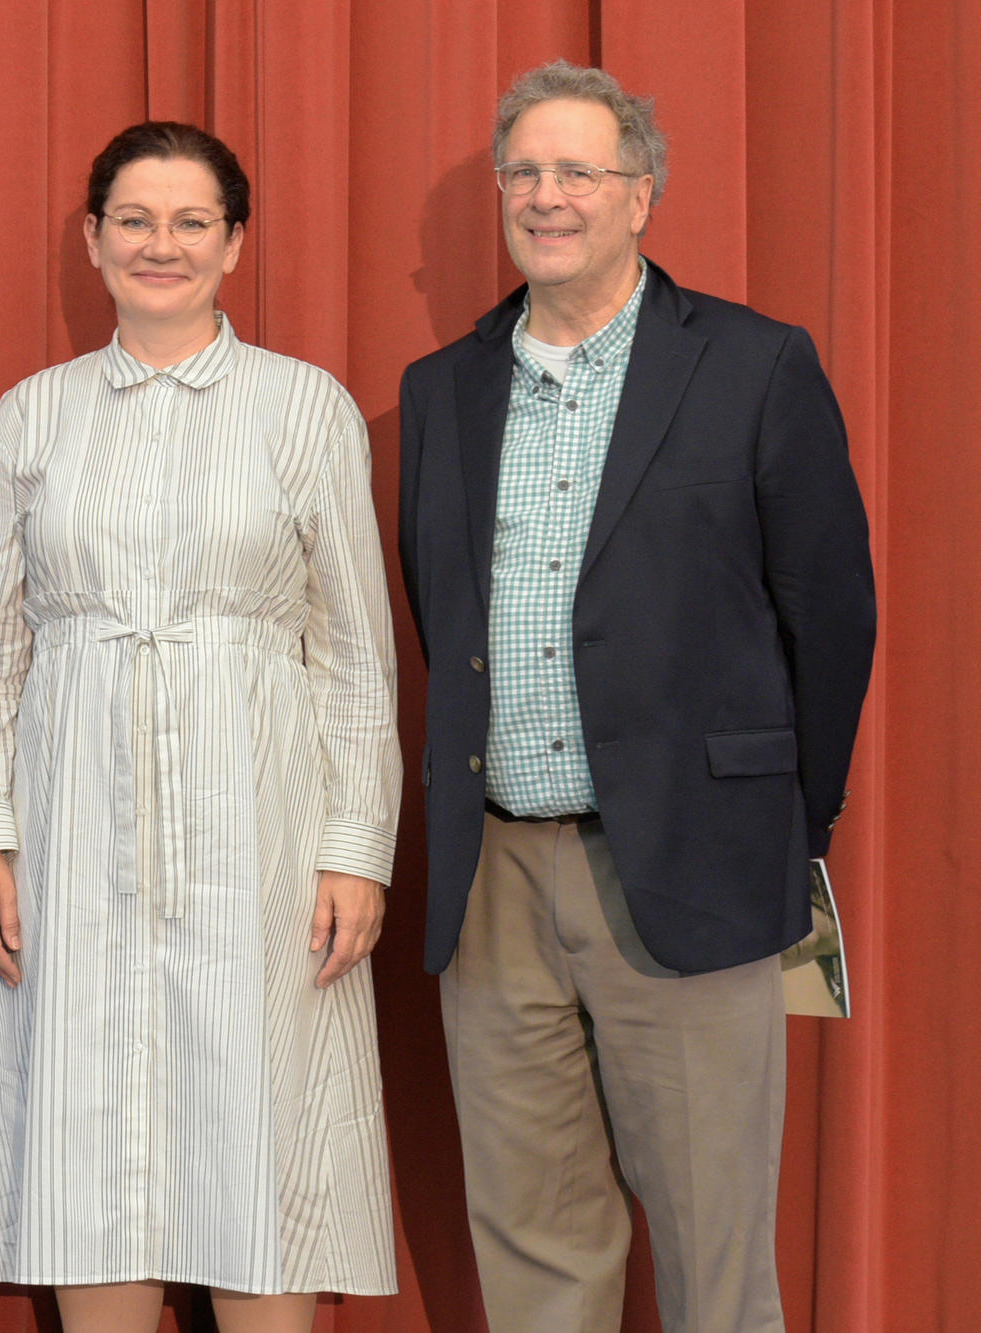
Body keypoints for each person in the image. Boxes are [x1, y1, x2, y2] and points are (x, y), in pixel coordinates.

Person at [396, 61, 876, 1332]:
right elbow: (433, 615)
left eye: (577, 172)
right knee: (535, 1253)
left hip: (688, 864)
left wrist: (781, 823)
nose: (546, 198)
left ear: (640, 196)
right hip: (492, 879)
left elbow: (829, 615)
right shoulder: (440, 391)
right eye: (524, 173)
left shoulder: (753, 364)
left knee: (717, 1263)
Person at [0, 122, 402, 1330]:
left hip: (263, 844)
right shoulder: (31, 418)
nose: (161, 245)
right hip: (71, 844)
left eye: (190, 221)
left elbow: (354, 656)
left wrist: (356, 845)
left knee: (262, 1144)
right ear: (91, 241)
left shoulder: (305, 411)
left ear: (234, 242)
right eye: (133, 220)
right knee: (91, 1146)